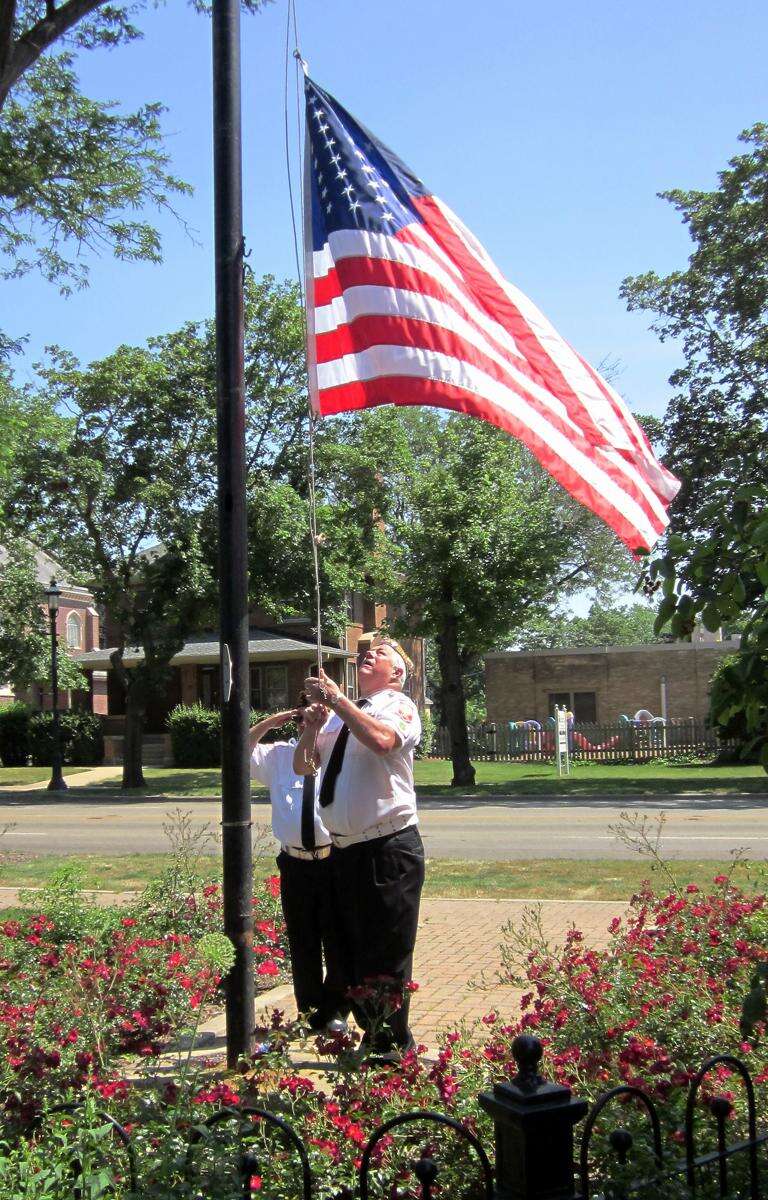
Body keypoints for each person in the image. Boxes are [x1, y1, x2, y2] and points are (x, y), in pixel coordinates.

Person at [294, 639, 424, 1058]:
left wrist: (337, 700)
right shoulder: (342, 715)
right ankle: (373, 1035)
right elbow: (303, 766)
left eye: (381, 652)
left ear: (397, 672)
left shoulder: (398, 705)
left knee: (385, 950)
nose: (369, 652)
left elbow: (383, 741)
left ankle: (390, 1046)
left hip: (388, 847)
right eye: (366, 650)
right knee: (348, 949)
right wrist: (313, 726)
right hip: (345, 851)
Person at [249, 696, 347, 1032]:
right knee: (302, 941)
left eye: (321, 716)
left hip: (334, 860)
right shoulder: (278, 755)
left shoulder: (339, 754)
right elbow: (238, 751)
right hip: (294, 863)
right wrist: (269, 722)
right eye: (306, 716)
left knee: (338, 940)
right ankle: (309, 1014)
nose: (313, 722)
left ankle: (335, 1011)